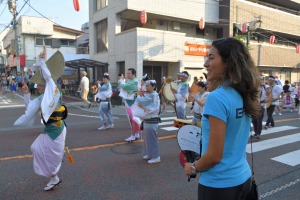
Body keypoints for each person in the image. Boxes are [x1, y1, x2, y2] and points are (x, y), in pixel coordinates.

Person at [184, 38, 260, 199]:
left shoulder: (217, 98)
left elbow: (214, 156)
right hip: (244, 178)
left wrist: (194, 167)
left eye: (211, 58)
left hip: (219, 185)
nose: (205, 64)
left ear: (228, 63)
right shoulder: (242, 92)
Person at [14, 48, 67, 191]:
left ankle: (54, 177)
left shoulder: (53, 90)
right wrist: (26, 94)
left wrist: (42, 61)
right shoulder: (41, 97)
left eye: (40, 84)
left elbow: (49, 77)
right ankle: (54, 170)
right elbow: (30, 109)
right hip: (52, 129)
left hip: (56, 130)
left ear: (46, 85)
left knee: (47, 155)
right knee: (35, 148)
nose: (37, 87)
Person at [136, 80, 161, 164]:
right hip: (147, 119)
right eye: (146, 86)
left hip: (152, 119)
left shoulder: (154, 95)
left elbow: (143, 101)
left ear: (154, 87)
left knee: (152, 139)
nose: (147, 88)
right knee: (147, 139)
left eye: (149, 86)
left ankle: (156, 156)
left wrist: (139, 95)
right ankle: (150, 154)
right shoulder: (150, 94)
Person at [119, 68, 141, 142]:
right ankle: (136, 134)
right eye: (127, 73)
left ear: (133, 74)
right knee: (132, 118)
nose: (127, 74)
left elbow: (125, 86)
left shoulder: (134, 81)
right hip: (130, 101)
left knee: (132, 118)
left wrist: (121, 81)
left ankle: (133, 135)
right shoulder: (131, 81)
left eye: (129, 73)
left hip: (132, 102)